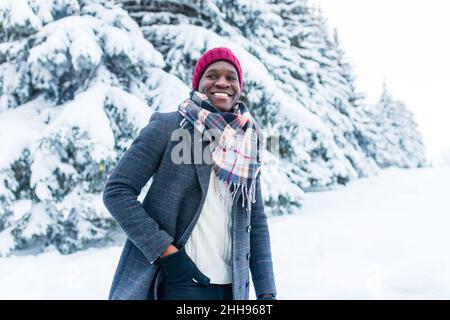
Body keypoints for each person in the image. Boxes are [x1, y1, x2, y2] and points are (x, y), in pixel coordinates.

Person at [103, 47, 277, 300]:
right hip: (178, 282)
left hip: (233, 288)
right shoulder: (168, 126)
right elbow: (117, 191)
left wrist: (267, 292)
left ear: (239, 88)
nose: (222, 83)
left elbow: (256, 220)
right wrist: (167, 253)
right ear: (198, 83)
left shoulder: (247, 142)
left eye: (231, 78)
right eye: (212, 75)